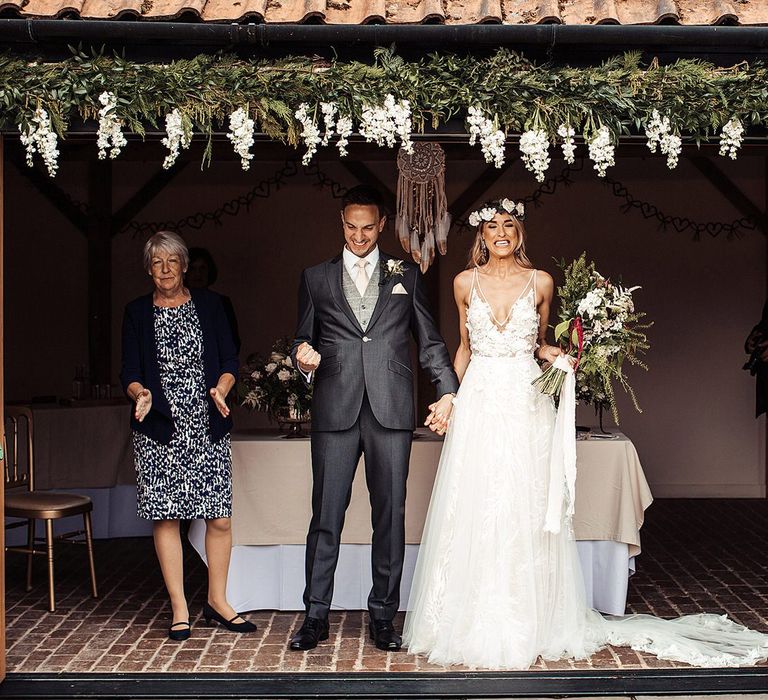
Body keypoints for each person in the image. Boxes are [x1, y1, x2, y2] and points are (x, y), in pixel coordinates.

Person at [403, 199, 768, 670]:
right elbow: (464, 347)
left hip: (524, 400)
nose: (500, 232)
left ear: (519, 234)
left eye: (509, 225)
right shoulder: (462, 282)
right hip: (479, 402)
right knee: (474, 499)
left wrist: (568, 353)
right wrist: (451, 396)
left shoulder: (541, 282)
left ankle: (534, 615)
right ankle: (466, 613)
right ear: (481, 234)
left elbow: (537, 344)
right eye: (492, 225)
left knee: (528, 501)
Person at [288, 185, 460, 652]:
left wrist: (448, 389)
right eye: (351, 226)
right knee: (325, 516)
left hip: (391, 410)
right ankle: (315, 616)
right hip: (334, 408)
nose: (359, 235)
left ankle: (384, 616)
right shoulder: (315, 278)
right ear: (341, 223)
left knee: (390, 517)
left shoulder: (406, 273)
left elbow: (429, 339)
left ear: (382, 225)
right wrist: (301, 356)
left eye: (368, 227)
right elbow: (302, 338)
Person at [121, 231, 256, 641]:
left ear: (184, 266)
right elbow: (128, 371)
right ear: (149, 269)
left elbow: (230, 359)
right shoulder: (136, 312)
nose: (165, 269)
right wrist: (140, 393)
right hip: (159, 427)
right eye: (157, 262)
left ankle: (217, 600)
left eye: (172, 261)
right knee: (167, 517)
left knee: (219, 516)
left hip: (205, 423)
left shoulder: (213, 306)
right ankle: (180, 607)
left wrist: (223, 388)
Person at [185, 246, 241, 354]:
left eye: (202, 268)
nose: (198, 274)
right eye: (192, 269)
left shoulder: (221, 302)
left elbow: (233, 341)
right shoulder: (173, 302)